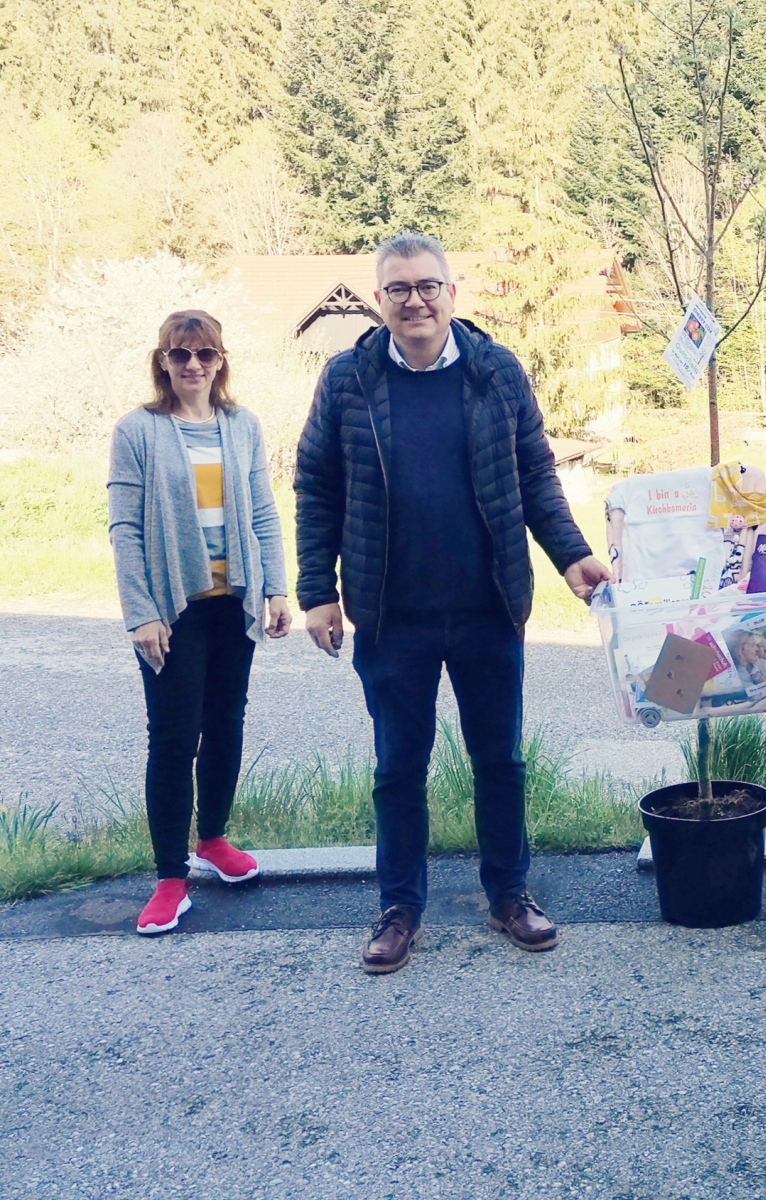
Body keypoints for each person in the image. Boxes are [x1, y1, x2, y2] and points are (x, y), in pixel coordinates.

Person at [294, 231, 609, 975]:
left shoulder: (497, 371)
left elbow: (535, 474)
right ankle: (399, 908)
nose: (415, 301)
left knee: (499, 761)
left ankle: (509, 895)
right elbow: (317, 487)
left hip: (486, 607)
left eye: (427, 286)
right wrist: (316, 593)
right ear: (379, 300)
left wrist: (571, 554)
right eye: (399, 289)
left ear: (451, 293)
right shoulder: (347, 378)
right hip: (389, 614)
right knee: (397, 769)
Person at [108, 310, 292, 936]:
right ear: (162, 361)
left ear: (220, 361)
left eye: (205, 354)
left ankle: (212, 838)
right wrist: (141, 613)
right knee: (173, 737)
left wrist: (275, 588)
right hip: (172, 609)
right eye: (180, 354)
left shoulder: (242, 426)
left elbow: (262, 510)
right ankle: (170, 878)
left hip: (233, 603)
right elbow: (125, 528)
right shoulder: (138, 430)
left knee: (225, 724)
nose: (193, 365)